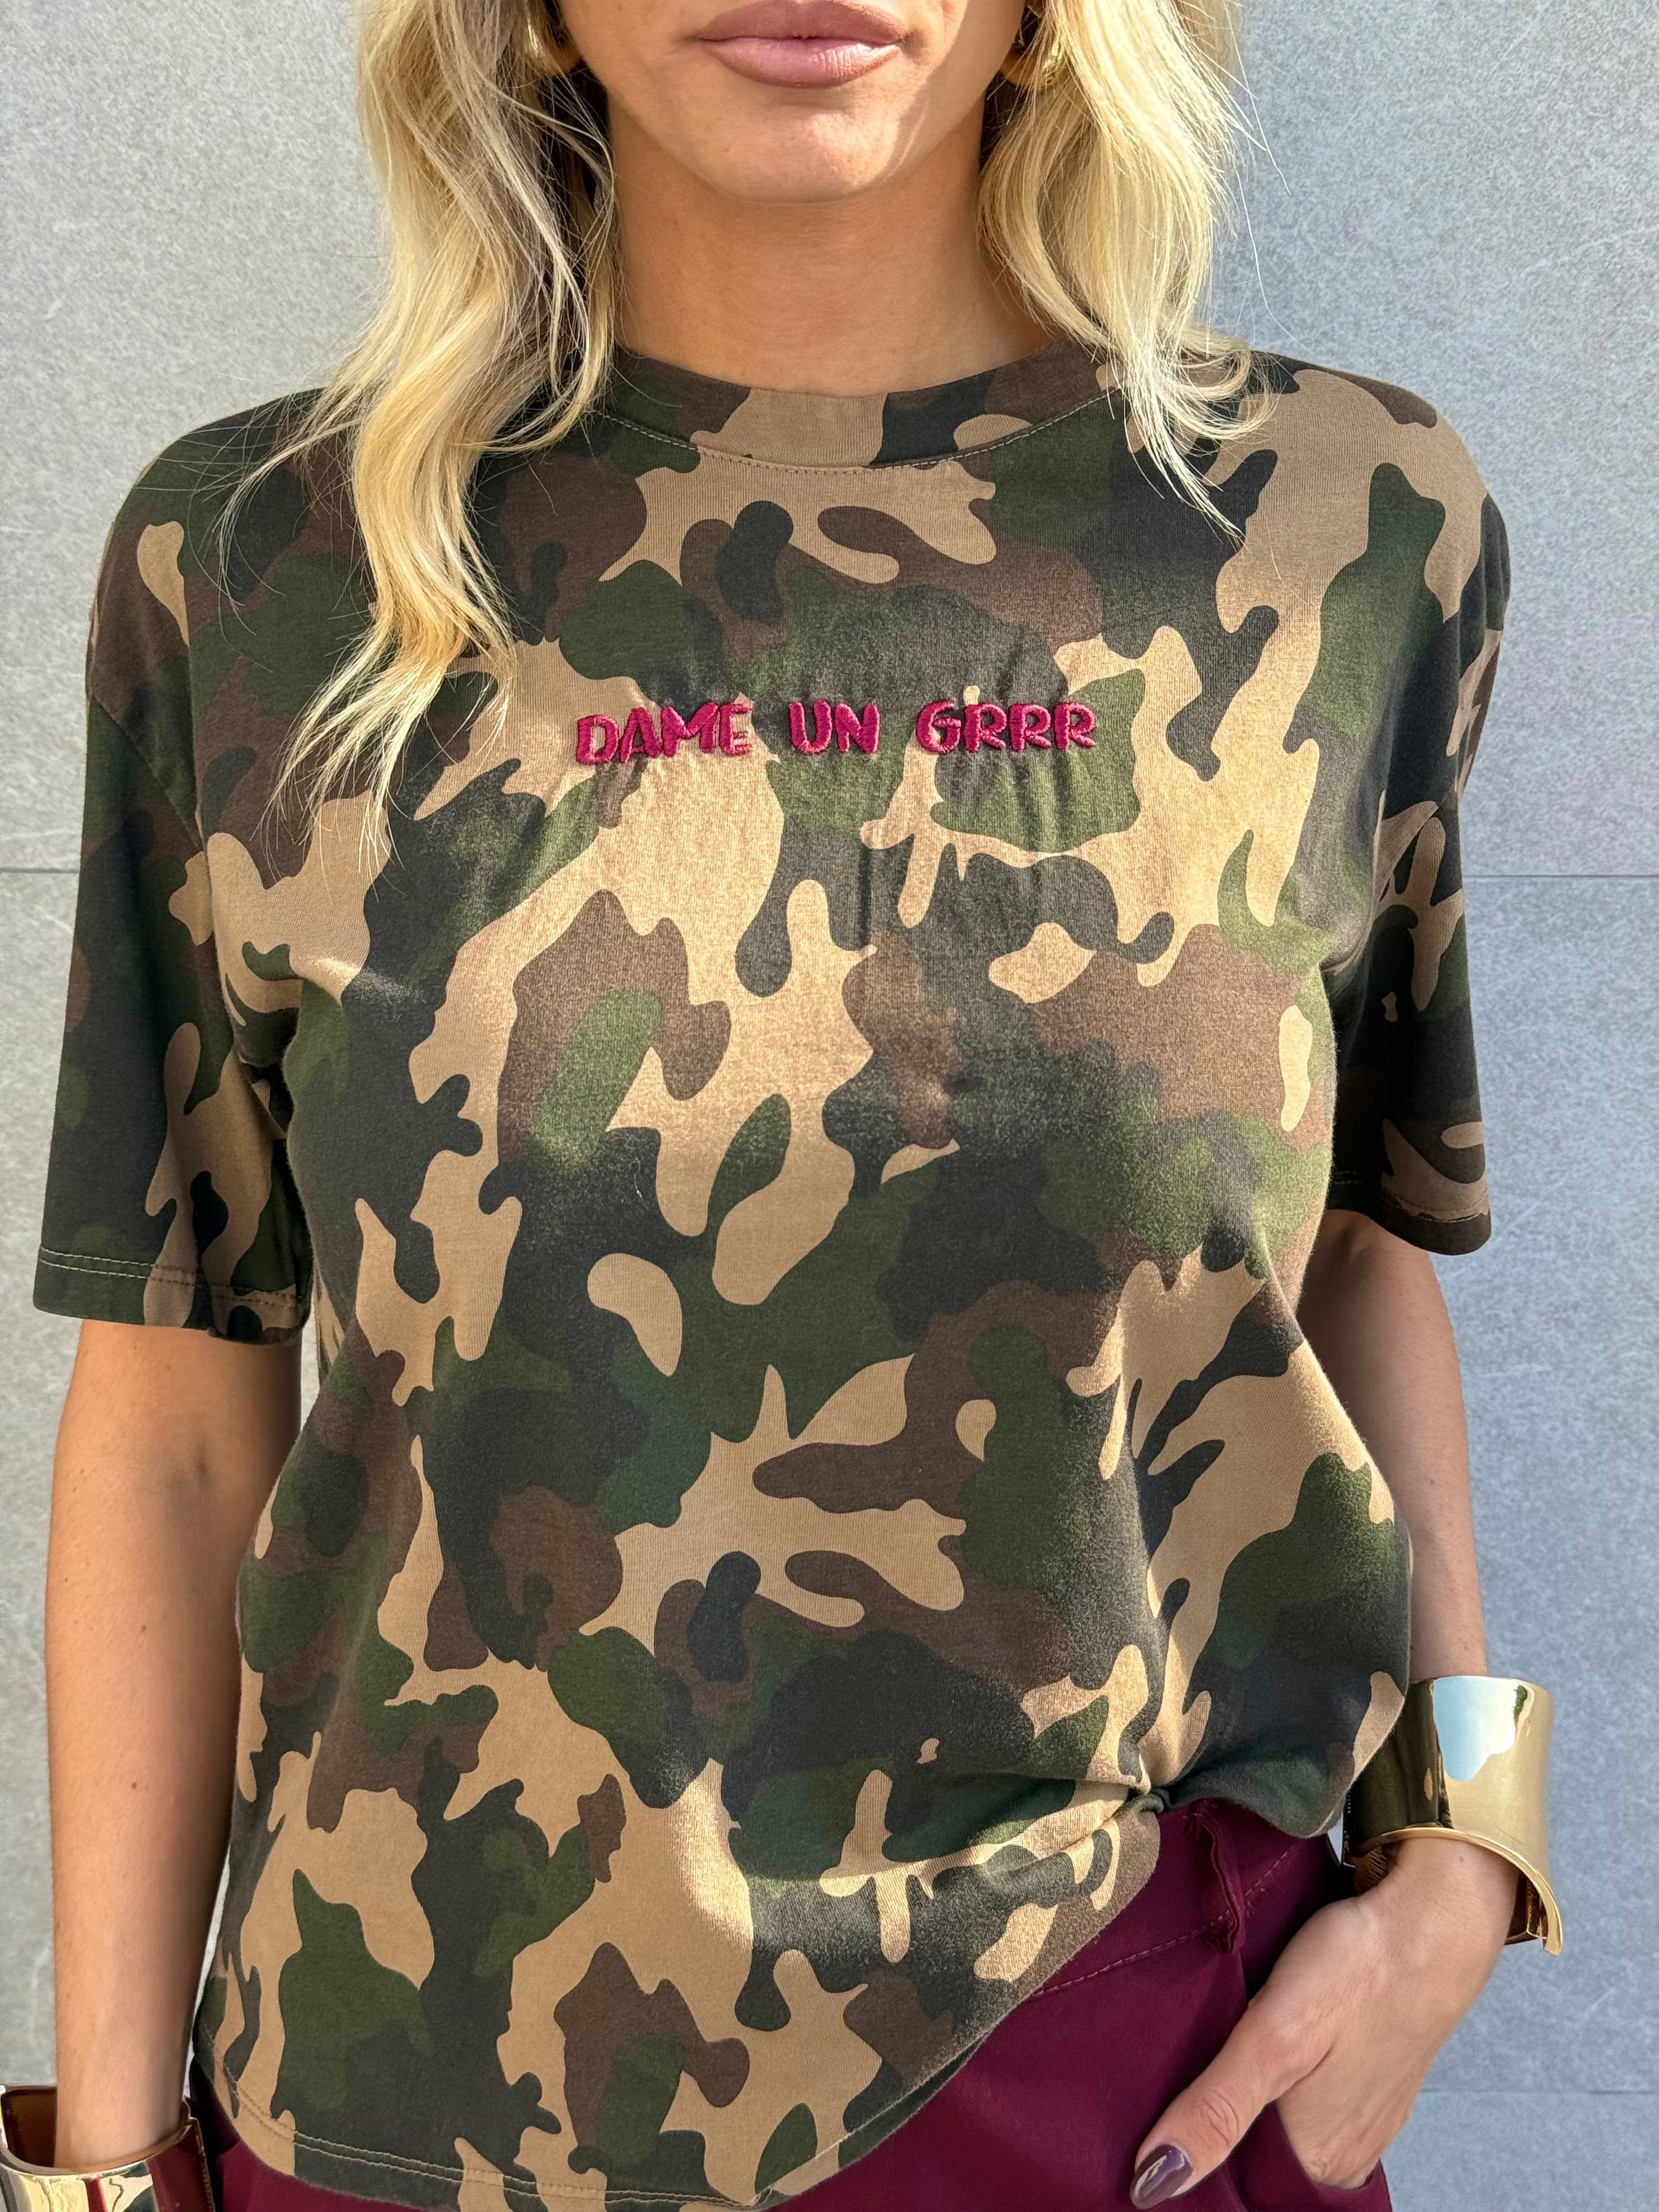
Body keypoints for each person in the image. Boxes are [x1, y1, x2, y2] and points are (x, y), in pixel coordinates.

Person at [26, 3, 1561, 2210]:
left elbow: (1349, 1261)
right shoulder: (265, 570)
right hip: (413, 2098)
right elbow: (178, 1420)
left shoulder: (1344, 533)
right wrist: (95, 2172)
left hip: (1122, 2066)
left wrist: (1468, 1843)